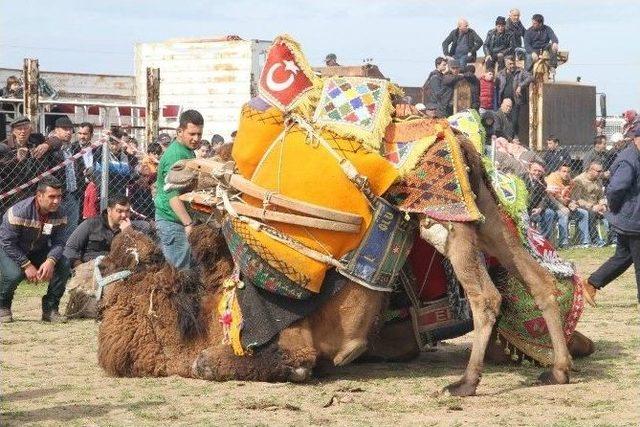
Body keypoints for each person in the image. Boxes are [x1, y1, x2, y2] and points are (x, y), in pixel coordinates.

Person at [0, 177, 71, 323]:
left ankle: (50, 309)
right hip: (10, 250)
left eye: (59, 196)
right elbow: (7, 243)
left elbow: (60, 242)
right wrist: (26, 265)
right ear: (39, 196)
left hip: (38, 250)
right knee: (14, 274)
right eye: (52, 197)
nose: (57, 201)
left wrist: (51, 260)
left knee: (63, 264)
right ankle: (3, 306)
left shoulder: (61, 213)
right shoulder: (18, 212)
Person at [584, 127, 640, 305]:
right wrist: (616, 209)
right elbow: (616, 189)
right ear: (636, 139)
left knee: (623, 257)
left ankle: (591, 284)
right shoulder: (629, 160)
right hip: (633, 219)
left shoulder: (634, 156)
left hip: (631, 218)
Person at [154, 110, 203, 270]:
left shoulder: (186, 150)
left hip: (178, 220)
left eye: (199, 134)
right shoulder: (175, 155)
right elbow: (172, 196)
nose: (196, 139)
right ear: (179, 132)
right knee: (177, 275)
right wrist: (188, 223)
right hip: (173, 222)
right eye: (192, 134)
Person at [63, 195, 150, 267]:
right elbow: (70, 248)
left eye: (127, 211)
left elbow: (139, 255)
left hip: (118, 271)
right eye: (119, 211)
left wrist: (128, 233)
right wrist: (80, 267)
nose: (124, 215)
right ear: (109, 211)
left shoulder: (131, 229)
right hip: (92, 268)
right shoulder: (91, 224)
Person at [48, 117, 84, 238]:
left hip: (73, 194)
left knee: (71, 228)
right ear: (56, 130)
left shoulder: (75, 148)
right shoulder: (51, 149)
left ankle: (67, 254)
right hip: (56, 195)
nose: (68, 132)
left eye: (70, 129)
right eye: (65, 129)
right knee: (50, 227)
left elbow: (80, 168)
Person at [546, 163, 590, 248]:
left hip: (566, 206)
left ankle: (585, 242)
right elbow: (550, 197)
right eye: (564, 171)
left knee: (584, 213)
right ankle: (564, 243)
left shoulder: (570, 181)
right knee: (564, 214)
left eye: (568, 172)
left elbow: (573, 197)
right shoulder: (552, 178)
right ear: (558, 172)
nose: (566, 174)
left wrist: (572, 203)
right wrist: (562, 207)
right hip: (554, 207)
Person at [572, 161, 609, 247]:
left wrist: (603, 205)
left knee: (612, 211)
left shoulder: (598, 180)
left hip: (597, 206)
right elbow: (577, 199)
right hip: (583, 206)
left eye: (601, 171)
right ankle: (595, 240)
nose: (601, 173)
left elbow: (601, 196)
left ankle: (613, 239)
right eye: (598, 171)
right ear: (590, 170)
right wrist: (592, 206)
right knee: (590, 213)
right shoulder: (578, 180)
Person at [495, 55, 533, 136]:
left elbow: (530, 77)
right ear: (505, 64)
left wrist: (520, 86)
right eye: (510, 64)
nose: (512, 66)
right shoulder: (500, 74)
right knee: (501, 120)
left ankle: (514, 137)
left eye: (513, 64)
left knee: (514, 121)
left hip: (515, 101)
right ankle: (503, 138)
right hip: (503, 102)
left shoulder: (520, 71)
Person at [525, 160, 558, 240]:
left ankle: (543, 240)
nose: (537, 173)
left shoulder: (542, 183)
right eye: (534, 170)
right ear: (529, 169)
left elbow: (545, 198)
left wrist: (539, 208)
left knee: (549, 213)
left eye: (539, 171)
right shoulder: (522, 178)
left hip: (535, 210)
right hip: (523, 208)